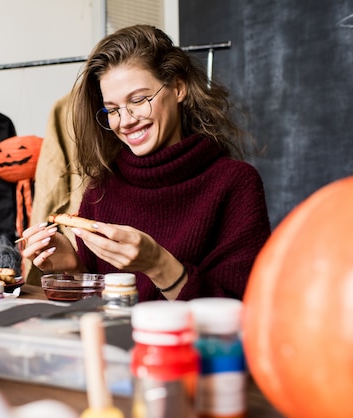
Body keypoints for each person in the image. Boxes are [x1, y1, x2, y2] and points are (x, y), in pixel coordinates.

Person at [20, 25, 271, 302]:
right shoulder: (101, 188)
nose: (125, 121)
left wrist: (158, 264)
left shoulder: (235, 183)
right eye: (112, 110)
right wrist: (75, 269)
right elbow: (101, 308)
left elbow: (241, 313)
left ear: (178, 87)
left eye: (138, 100)